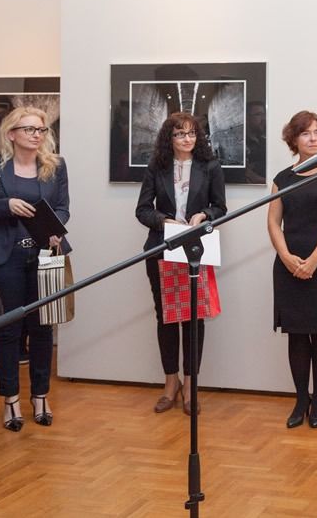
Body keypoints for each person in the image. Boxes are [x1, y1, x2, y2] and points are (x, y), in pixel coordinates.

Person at [0, 107, 70, 432]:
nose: (36, 135)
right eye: (29, 129)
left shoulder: (55, 166)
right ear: (11, 134)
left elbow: (63, 207)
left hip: (45, 256)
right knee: (8, 332)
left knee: (43, 329)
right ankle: (10, 399)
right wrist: (5, 205)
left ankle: (40, 396)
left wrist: (56, 228)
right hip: (4, 259)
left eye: (40, 130)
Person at [136, 112, 227, 415]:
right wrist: (164, 221)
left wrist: (204, 215)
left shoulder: (210, 166)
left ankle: (190, 385)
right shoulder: (156, 167)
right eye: (179, 134)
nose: (187, 139)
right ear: (169, 138)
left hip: (195, 250)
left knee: (193, 318)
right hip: (162, 248)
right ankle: (170, 383)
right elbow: (142, 210)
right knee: (166, 318)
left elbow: (220, 207)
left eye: (191, 133)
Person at [267, 110, 317, 429]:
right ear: (293, 139)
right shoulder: (282, 179)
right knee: (297, 336)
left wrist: (313, 260)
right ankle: (301, 399)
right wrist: (287, 257)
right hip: (289, 265)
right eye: (305, 133)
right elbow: (273, 223)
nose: (313, 138)